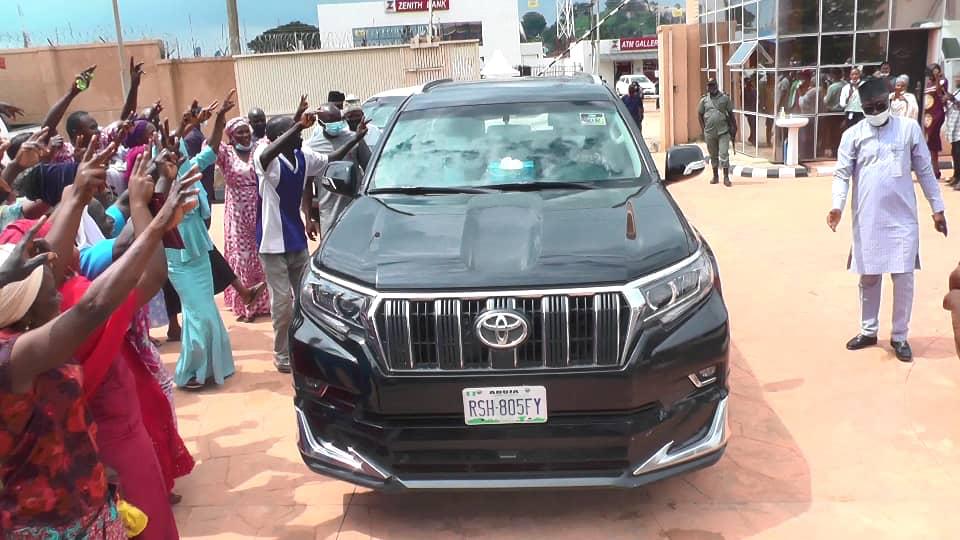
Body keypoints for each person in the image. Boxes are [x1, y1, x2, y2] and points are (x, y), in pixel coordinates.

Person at [0, 140, 195, 538]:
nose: (56, 262)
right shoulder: (21, 351)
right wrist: (152, 218)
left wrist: (77, 193)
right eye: (43, 266)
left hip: (87, 489)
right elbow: (95, 304)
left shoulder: (29, 326)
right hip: (53, 518)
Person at [827, 77, 947, 363]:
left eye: (880, 105)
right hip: (867, 217)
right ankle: (868, 331)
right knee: (869, 277)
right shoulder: (853, 135)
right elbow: (842, 174)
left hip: (903, 219)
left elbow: (925, 171)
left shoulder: (908, 130)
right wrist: (837, 206)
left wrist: (937, 208)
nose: (875, 111)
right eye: (869, 108)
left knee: (903, 278)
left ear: (889, 100)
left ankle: (900, 336)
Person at [254, 97, 368, 373]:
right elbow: (268, 153)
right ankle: (281, 353)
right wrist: (296, 128)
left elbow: (333, 157)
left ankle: (299, 348)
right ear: (279, 137)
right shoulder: (266, 160)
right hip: (272, 243)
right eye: (293, 131)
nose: (300, 134)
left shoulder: (303, 156)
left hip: (295, 240)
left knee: (305, 299)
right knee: (282, 304)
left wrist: (357, 138)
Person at [163, 91, 236, 388]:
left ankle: (213, 368)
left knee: (207, 311)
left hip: (200, 253)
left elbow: (213, 148)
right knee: (198, 314)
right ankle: (191, 372)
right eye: (172, 149)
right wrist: (185, 125)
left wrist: (219, 120)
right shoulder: (162, 178)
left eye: (178, 149)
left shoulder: (190, 167)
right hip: (178, 259)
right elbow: (166, 143)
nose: (176, 153)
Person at [215, 116, 271, 322]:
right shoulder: (226, 154)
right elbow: (209, 148)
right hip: (237, 214)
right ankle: (247, 305)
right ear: (230, 136)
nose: (245, 136)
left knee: (263, 253)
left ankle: (267, 301)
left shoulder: (259, 148)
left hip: (259, 207)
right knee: (242, 257)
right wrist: (217, 122)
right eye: (239, 133)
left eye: (246, 131)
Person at [304, 102, 372, 236]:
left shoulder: (354, 138)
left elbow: (369, 168)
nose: (336, 126)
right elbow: (307, 185)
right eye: (331, 123)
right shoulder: (312, 148)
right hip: (329, 215)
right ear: (321, 124)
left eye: (338, 121)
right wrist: (308, 218)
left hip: (355, 210)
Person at [697, 78, 736, 187]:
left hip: (723, 131)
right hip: (710, 133)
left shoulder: (725, 98)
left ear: (716, 86)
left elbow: (731, 114)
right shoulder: (704, 100)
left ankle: (726, 177)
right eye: (709, 86)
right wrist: (703, 129)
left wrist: (734, 127)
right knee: (713, 155)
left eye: (713, 85)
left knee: (723, 153)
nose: (711, 87)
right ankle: (715, 176)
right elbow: (699, 114)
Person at [924, 64, 948, 180]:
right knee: (928, 140)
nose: (934, 71)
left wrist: (937, 79)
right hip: (927, 115)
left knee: (933, 138)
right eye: (932, 70)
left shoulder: (943, 81)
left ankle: (935, 168)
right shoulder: (926, 83)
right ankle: (935, 170)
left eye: (936, 69)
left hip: (937, 113)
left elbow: (939, 93)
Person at [944, 73, 960, 188]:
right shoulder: (956, 91)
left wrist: (951, 98)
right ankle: (956, 176)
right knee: (954, 153)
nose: (956, 79)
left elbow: (957, 103)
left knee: (959, 154)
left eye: (959, 78)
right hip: (954, 128)